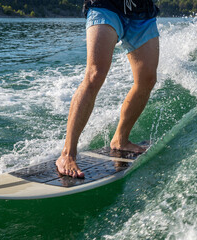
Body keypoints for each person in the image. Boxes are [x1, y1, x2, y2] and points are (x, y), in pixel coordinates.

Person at [56, 0, 160, 178]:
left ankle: (121, 139)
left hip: (142, 13)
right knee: (95, 74)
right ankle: (67, 154)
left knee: (147, 80)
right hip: (105, 6)